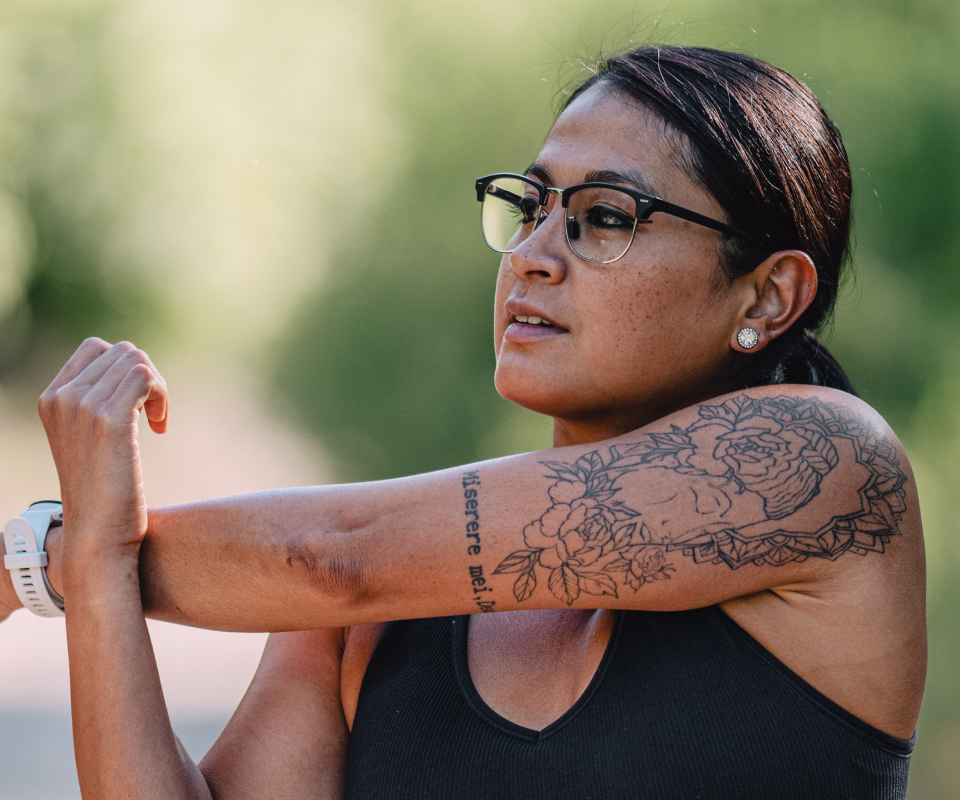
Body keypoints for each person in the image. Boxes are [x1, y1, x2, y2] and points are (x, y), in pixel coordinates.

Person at [0, 46, 925, 799]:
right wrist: (88, 557)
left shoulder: (829, 471)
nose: (532, 256)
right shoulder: (376, 610)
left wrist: (45, 555)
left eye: (605, 217)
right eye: (529, 207)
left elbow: (335, 557)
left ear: (768, 296)